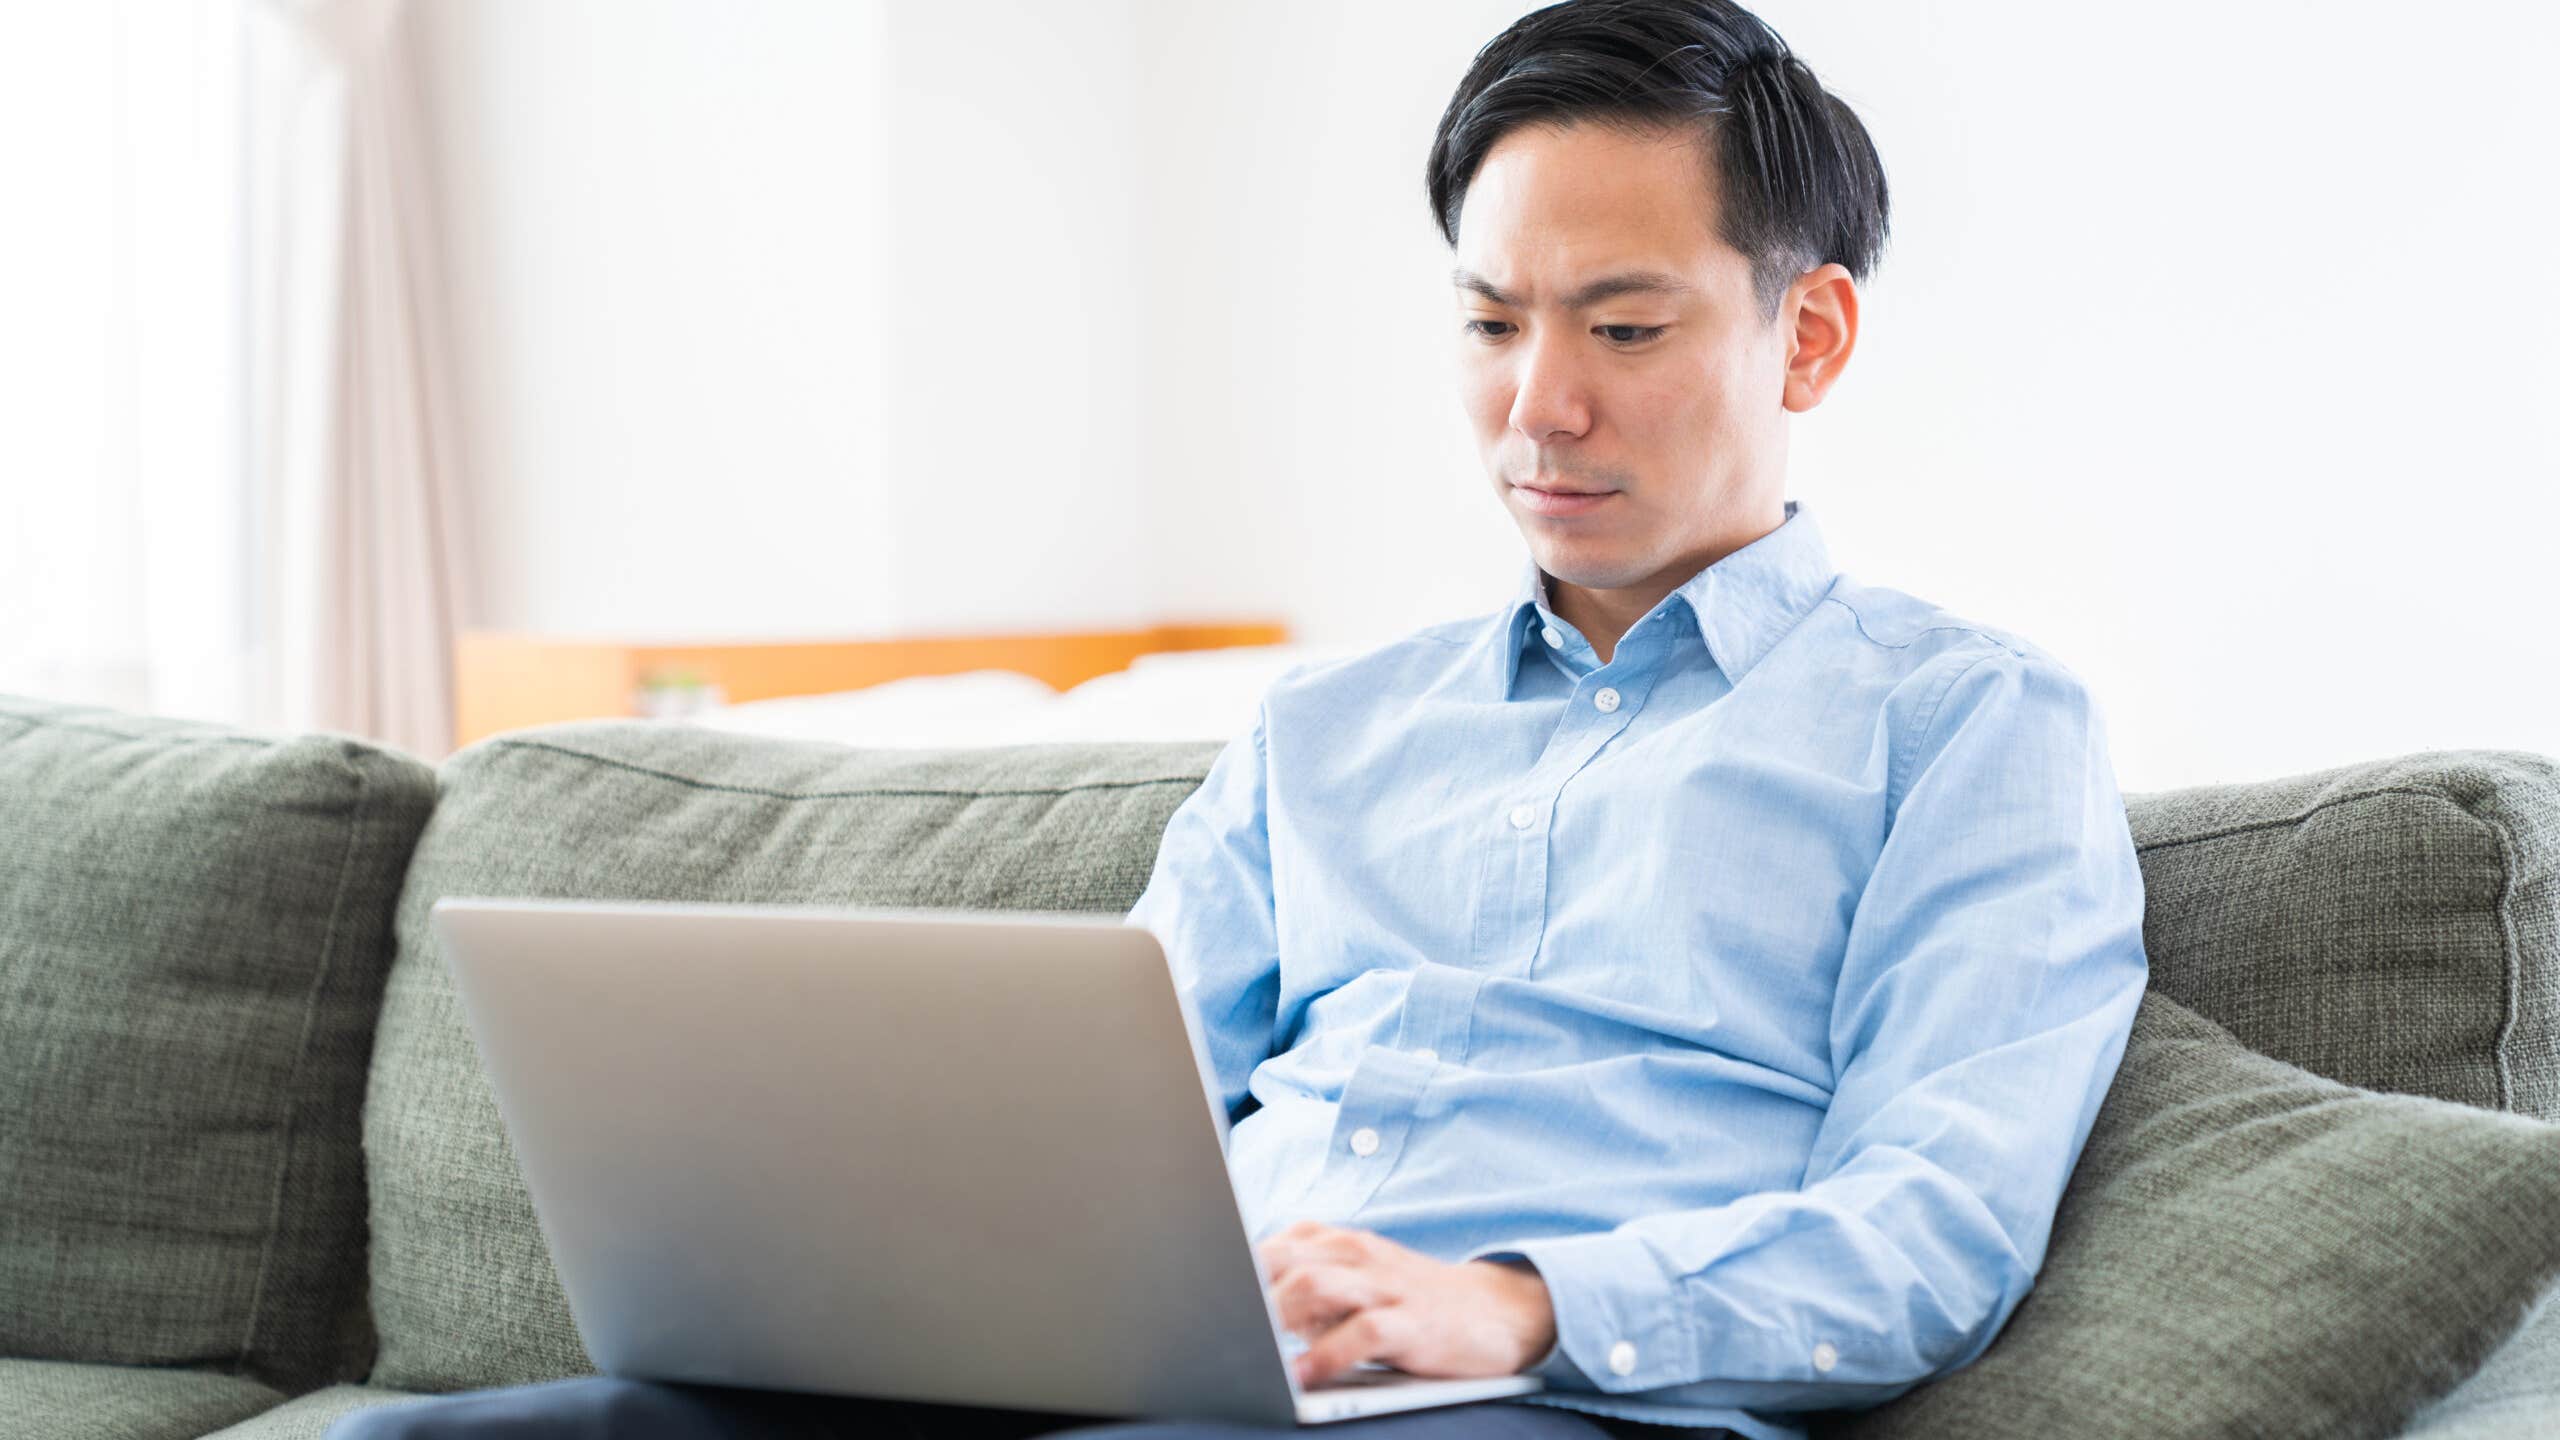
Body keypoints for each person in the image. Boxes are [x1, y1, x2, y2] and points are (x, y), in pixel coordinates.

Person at [329, 1, 2149, 1436]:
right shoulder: (1326, 730)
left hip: (1555, 1399)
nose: (1538, 410)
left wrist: (1518, 1302)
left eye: (1623, 329)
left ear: (1807, 337)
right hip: (1190, 1370)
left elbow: (1935, 1225)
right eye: (1492, 323)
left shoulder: (1968, 729)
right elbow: (1107, 1119)